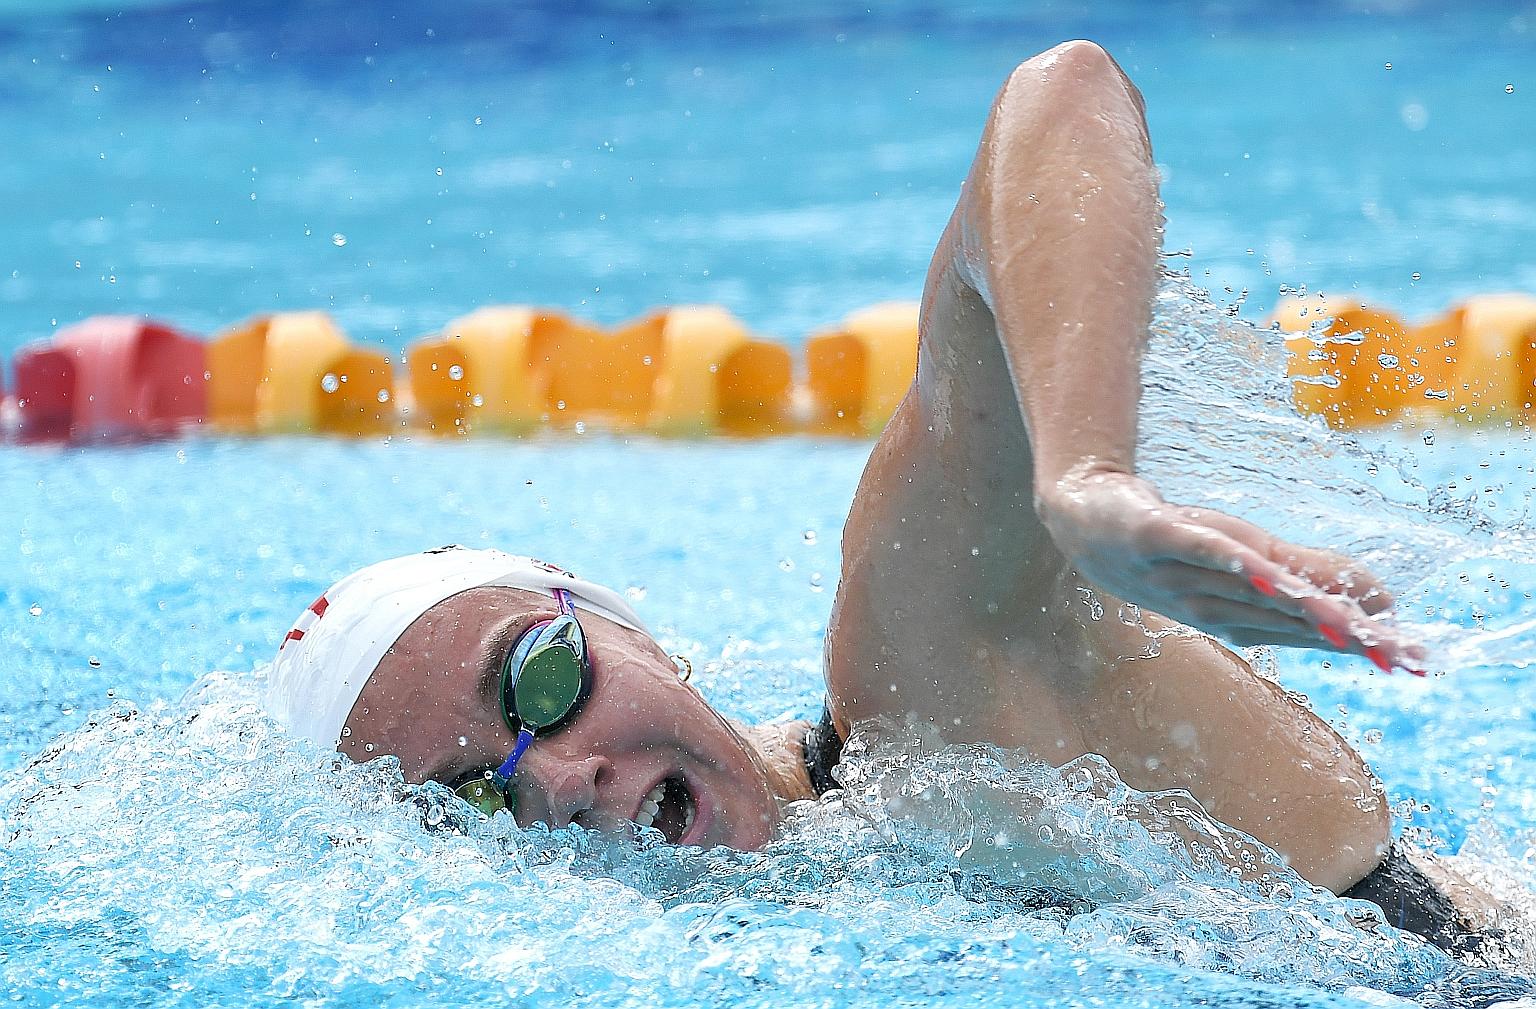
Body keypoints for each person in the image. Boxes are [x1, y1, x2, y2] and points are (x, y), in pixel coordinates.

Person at [265, 41, 1497, 955]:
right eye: (476, 797)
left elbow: (1060, 97)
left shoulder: (920, 698)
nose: (561, 779)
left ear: (627, 627)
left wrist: (1082, 477)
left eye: (538, 676)